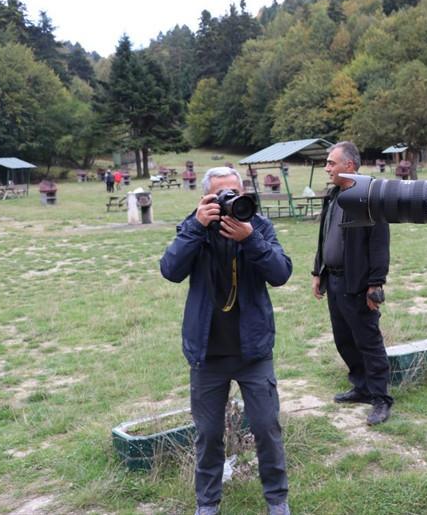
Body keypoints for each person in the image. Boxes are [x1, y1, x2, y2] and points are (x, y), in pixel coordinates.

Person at [160, 166, 292, 515]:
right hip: (208, 353)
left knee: (266, 427)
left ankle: (277, 500)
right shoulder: (195, 229)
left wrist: (249, 239)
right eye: (221, 195)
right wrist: (195, 226)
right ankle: (207, 503)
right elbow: (170, 270)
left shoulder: (258, 226)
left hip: (253, 351)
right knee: (208, 433)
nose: (230, 201)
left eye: (235, 193)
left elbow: (280, 273)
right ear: (205, 199)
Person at [312, 141, 393, 426]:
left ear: (349, 166)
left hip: (357, 284)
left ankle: (381, 399)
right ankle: (362, 388)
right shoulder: (334, 195)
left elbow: (380, 244)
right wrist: (317, 271)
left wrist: (375, 284)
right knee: (344, 340)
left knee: (368, 342)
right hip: (333, 281)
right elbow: (324, 236)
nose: (327, 168)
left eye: (331, 163)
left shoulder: (369, 197)